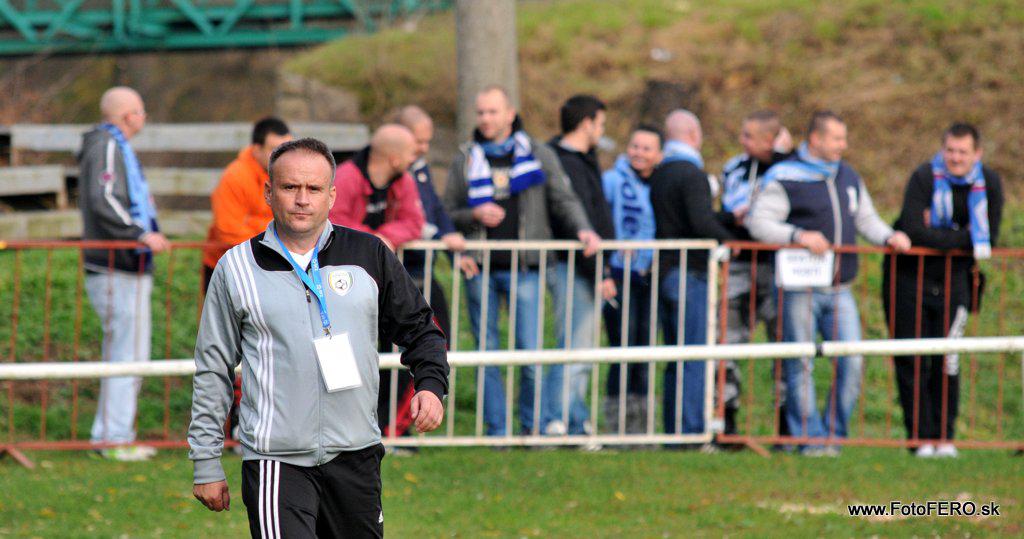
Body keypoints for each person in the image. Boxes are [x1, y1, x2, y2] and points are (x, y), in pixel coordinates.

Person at [189, 138, 448, 537]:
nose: (302, 199)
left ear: (332, 195)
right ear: (269, 193)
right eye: (290, 187)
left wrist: (430, 385)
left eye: (313, 188)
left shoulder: (369, 254)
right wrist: (206, 461)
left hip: (356, 454)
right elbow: (213, 369)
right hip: (276, 461)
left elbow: (421, 329)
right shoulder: (236, 268)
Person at [747, 110, 912, 455]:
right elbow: (759, 222)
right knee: (800, 364)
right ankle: (810, 439)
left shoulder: (847, 175)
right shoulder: (785, 176)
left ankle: (834, 437)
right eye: (837, 139)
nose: (843, 145)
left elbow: (865, 218)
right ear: (816, 139)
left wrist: (889, 236)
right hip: (799, 289)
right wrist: (798, 235)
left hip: (840, 288)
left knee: (852, 361)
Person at [442, 85, 599, 437]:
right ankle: (496, 431)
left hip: (526, 268)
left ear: (510, 114)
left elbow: (564, 199)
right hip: (480, 268)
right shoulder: (465, 157)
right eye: (481, 112)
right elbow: (447, 211)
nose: (485, 119)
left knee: (530, 352)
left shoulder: (538, 153)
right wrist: (473, 214)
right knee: (486, 355)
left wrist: (584, 229)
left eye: (492, 112)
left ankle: (532, 428)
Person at [883, 122, 1003, 458]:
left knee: (948, 359)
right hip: (909, 279)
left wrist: (939, 236)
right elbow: (912, 229)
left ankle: (945, 437)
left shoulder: (989, 183)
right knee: (912, 358)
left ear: (977, 153)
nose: (955, 158)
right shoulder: (923, 177)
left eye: (963, 152)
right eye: (950, 150)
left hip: (956, 280)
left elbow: (989, 235)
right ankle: (919, 439)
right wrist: (963, 236)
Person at [78, 86, 169, 462]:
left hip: (124, 266)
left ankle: (114, 434)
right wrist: (139, 234)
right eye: (141, 111)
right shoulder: (107, 145)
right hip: (115, 265)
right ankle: (113, 437)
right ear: (129, 115)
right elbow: (104, 198)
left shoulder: (113, 146)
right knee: (126, 354)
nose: (144, 118)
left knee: (128, 352)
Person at [327, 124, 426, 441]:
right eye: (411, 152)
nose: (416, 157)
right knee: (339, 349)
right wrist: (373, 241)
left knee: (393, 351)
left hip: (383, 281)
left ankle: (387, 426)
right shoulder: (346, 178)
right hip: (336, 283)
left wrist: (384, 239)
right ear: (395, 158)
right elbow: (332, 219)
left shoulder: (404, 181)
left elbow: (414, 222)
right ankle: (339, 427)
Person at [649, 110, 736, 439]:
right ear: (694, 135)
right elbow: (700, 222)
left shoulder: (660, 173)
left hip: (666, 271)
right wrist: (730, 239)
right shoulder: (693, 174)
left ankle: (675, 429)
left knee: (676, 357)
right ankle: (691, 430)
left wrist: (726, 218)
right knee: (695, 356)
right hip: (691, 273)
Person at [718, 110, 793, 438]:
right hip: (740, 264)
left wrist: (785, 154)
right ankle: (727, 418)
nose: (742, 141)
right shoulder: (734, 167)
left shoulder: (791, 168)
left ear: (769, 139)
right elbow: (725, 209)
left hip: (778, 265)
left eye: (749, 136)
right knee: (728, 341)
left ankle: (787, 423)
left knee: (784, 344)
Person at [548, 95, 618, 438]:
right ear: (587, 123)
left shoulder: (584, 160)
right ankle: (558, 420)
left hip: (588, 266)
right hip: (575, 267)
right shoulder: (565, 164)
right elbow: (576, 222)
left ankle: (573, 419)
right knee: (575, 347)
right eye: (600, 124)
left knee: (582, 348)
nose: (602, 131)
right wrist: (599, 272)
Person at [601, 125, 661, 435]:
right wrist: (604, 270)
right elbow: (600, 222)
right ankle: (617, 425)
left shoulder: (661, 184)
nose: (639, 153)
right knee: (621, 348)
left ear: (659, 154)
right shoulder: (612, 180)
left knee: (645, 350)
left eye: (647, 148)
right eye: (635, 146)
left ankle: (641, 427)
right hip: (618, 273)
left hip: (648, 276)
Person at [202, 117, 292, 290]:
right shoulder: (235, 177)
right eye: (275, 150)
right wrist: (276, 241)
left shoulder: (289, 176)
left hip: (271, 266)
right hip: (229, 269)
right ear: (257, 150)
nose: (283, 156)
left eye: (287, 149)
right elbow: (228, 232)